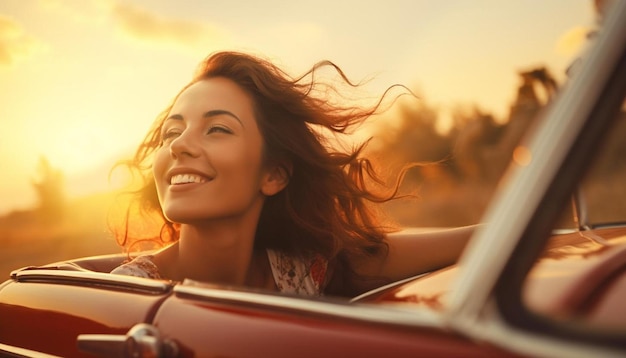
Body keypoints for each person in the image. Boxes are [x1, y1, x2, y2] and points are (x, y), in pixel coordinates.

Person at [110, 51, 473, 297]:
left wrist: (524, 227)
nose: (178, 145)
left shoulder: (296, 272)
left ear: (274, 175)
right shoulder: (126, 293)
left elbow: (383, 255)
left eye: (217, 129)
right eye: (171, 133)